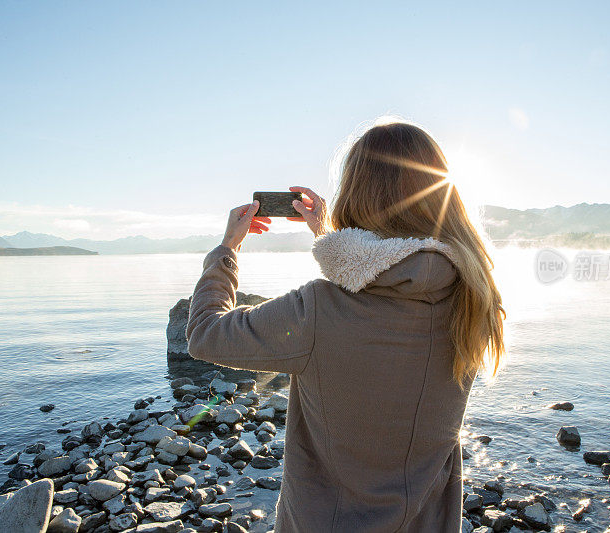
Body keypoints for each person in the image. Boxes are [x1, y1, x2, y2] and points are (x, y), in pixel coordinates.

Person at [186, 120, 505, 533]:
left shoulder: (317, 310)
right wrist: (328, 233)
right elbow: (388, 273)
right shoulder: (475, 296)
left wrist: (227, 250)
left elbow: (205, 334)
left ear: (355, 196)